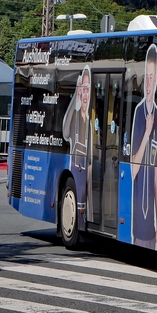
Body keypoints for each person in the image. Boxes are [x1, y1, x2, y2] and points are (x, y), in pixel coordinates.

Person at [130, 44, 157, 249]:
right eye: (146, 77)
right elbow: (133, 169)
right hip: (139, 223)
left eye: (153, 77)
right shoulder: (139, 113)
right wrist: (146, 134)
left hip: (153, 222)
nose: (149, 83)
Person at [61, 68, 92, 217]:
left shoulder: (93, 121)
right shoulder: (75, 117)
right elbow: (66, 132)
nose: (85, 94)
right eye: (83, 89)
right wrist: (75, 98)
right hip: (76, 170)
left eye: (87, 89)